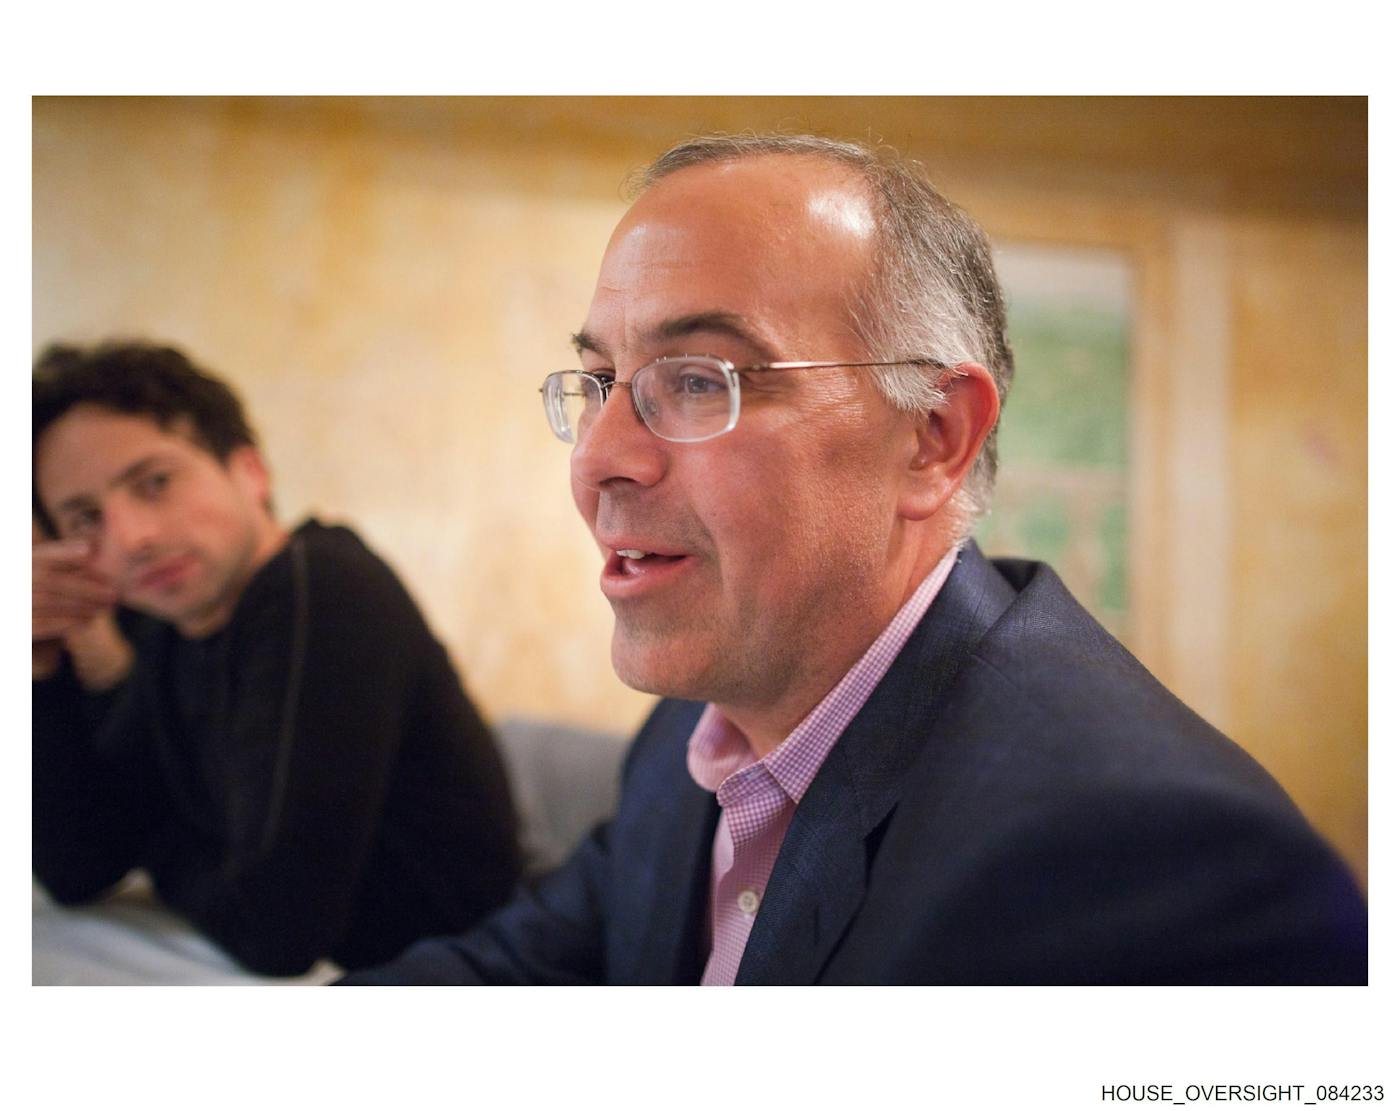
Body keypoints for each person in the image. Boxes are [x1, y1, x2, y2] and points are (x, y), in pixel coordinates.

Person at [340, 133, 1366, 985]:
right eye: (600, 378)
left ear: (932, 436)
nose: (598, 460)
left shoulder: (1148, 864)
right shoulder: (697, 735)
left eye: (697, 380)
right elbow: (518, 973)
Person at [32, 341, 523, 976]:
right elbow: (77, 867)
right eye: (85, 519)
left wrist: (160, 837)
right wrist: (36, 662)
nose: (131, 539)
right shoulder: (162, 628)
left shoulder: (322, 586)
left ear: (250, 473)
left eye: (154, 484)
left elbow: (275, 927)